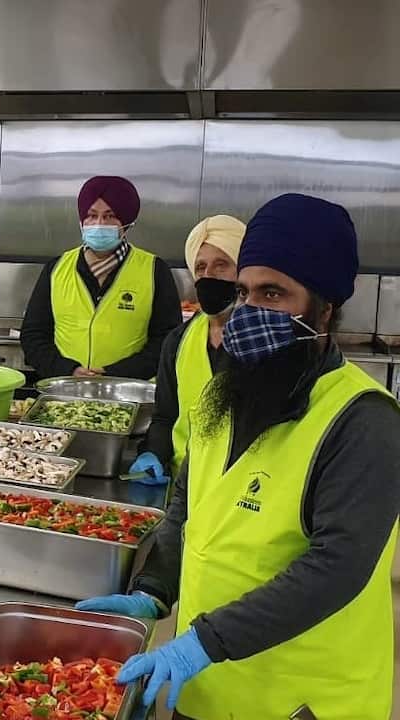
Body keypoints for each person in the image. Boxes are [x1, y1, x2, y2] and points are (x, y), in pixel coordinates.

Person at [78, 194, 400, 719]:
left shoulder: (363, 419)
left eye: (274, 293)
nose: (251, 310)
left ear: (325, 307)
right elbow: (192, 508)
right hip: (208, 688)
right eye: (246, 291)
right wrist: (154, 589)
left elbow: (337, 567)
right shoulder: (226, 393)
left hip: (301, 699)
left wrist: (200, 643)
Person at [21, 176, 181, 379]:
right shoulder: (56, 269)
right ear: (82, 221)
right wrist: (67, 370)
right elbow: (33, 334)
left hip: (128, 394)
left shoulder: (154, 271)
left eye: (109, 216)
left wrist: (114, 375)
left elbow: (167, 340)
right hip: (65, 394)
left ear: (126, 223)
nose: (99, 224)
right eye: (92, 215)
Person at [129, 215, 246, 484]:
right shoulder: (179, 341)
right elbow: (165, 417)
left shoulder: (261, 341)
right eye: (201, 267)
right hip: (184, 485)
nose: (209, 276)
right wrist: (154, 453)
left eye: (221, 266)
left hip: (238, 489)